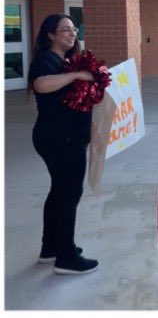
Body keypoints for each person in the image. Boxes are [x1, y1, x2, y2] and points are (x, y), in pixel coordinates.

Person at [27, 14, 100, 274]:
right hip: (59, 139)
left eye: (73, 29)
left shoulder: (66, 60)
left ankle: (51, 248)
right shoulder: (46, 59)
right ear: (51, 34)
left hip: (67, 137)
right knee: (69, 193)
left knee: (59, 192)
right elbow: (41, 84)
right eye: (66, 30)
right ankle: (66, 258)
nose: (72, 34)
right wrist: (77, 75)